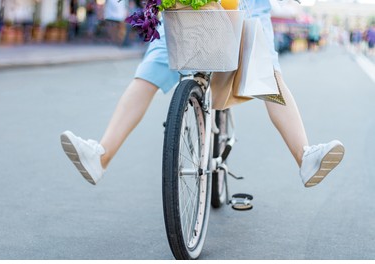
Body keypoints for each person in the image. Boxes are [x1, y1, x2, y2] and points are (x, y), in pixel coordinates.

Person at [60, 0, 345, 187]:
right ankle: (101, 155)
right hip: (189, 6)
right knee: (150, 68)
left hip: (240, 7)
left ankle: (305, 156)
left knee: (266, 72)